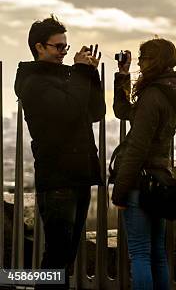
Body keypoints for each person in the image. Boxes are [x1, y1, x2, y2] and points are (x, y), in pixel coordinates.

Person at [14, 15, 105, 289]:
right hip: (57, 179)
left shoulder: (66, 76)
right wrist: (79, 72)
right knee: (56, 258)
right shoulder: (33, 83)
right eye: (58, 47)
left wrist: (89, 73)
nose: (64, 52)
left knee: (66, 257)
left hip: (78, 176)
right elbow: (68, 111)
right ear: (39, 47)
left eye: (66, 47)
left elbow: (94, 112)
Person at [111, 39, 176, 290]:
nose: (139, 63)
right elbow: (123, 110)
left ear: (154, 61)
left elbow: (137, 148)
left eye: (143, 57)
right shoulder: (170, 92)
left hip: (141, 182)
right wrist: (122, 76)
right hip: (160, 179)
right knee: (157, 253)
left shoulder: (152, 95)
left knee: (140, 253)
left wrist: (120, 192)